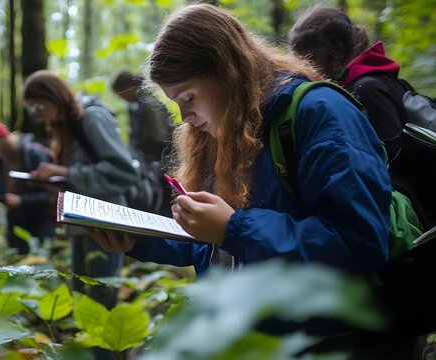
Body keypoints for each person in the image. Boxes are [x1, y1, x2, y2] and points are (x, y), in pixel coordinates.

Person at [88, 4, 404, 356]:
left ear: (226, 72)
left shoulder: (320, 114)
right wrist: (137, 240)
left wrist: (235, 228)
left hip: (330, 343)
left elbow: (359, 243)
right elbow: (213, 244)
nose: (185, 117)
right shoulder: (221, 133)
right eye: (174, 102)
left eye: (189, 97)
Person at [22, 70, 139, 306]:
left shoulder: (91, 118)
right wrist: (54, 181)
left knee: (102, 291)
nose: (37, 115)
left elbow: (124, 170)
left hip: (106, 219)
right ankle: (88, 342)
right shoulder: (67, 129)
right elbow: (80, 178)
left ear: (55, 97)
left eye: (39, 106)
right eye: (31, 109)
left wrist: (66, 172)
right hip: (81, 223)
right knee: (81, 292)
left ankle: (106, 342)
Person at [288, 5, 407, 160]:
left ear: (339, 48)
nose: (305, 72)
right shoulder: (368, 79)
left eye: (312, 61)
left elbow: (397, 162)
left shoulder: (366, 90)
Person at [0, 119, 57, 255]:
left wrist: (22, 201)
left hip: (42, 228)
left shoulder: (33, 154)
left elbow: (53, 195)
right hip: (17, 232)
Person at [111, 69, 174, 216]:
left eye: (121, 93)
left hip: (160, 165)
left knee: (164, 206)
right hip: (152, 164)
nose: (122, 98)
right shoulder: (137, 104)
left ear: (127, 87)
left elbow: (160, 136)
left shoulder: (148, 103)